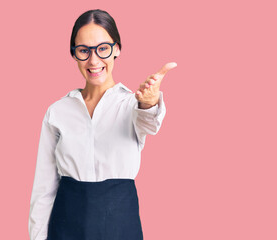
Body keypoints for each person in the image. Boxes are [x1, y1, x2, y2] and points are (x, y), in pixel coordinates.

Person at [28, 9, 177, 240]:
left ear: (117, 48)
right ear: (74, 53)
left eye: (102, 48)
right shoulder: (57, 112)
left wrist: (149, 102)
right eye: (83, 50)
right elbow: (44, 187)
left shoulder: (131, 105)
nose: (93, 60)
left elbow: (149, 122)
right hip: (65, 226)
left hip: (121, 225)